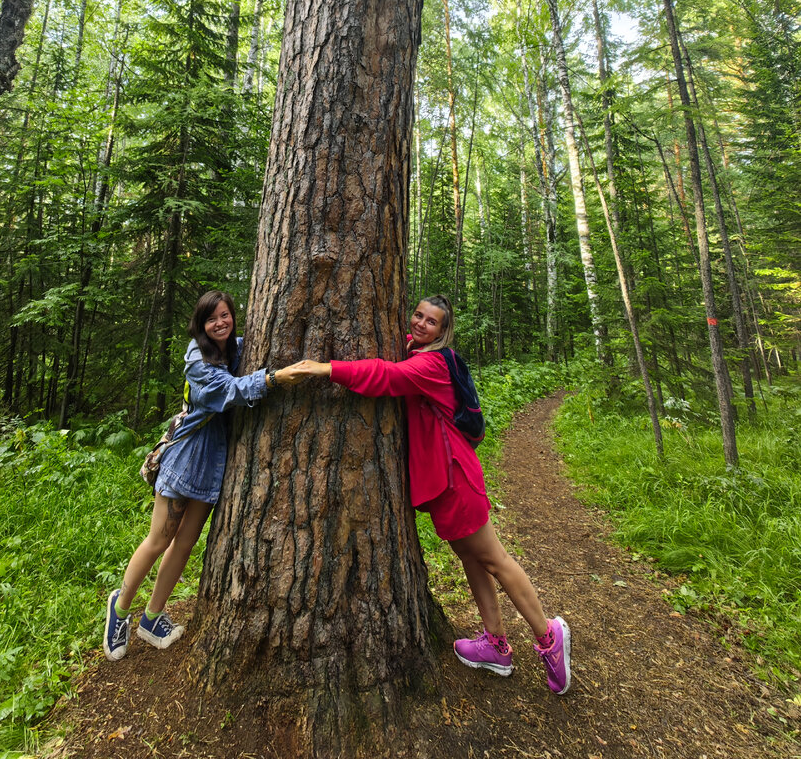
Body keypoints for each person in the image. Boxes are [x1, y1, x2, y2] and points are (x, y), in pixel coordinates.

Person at [293, 294, 572, 694]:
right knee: (472, 560)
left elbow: (385, 376)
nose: (421, 324)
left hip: (455, 479)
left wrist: (326, 368)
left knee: (494, 558)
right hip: (446, 482)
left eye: (432, 322)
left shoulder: (431, 363)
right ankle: (495, 644)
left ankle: (549, 638)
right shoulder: (420, 354)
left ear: (443, 331)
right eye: (418, 316)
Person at [103, 289, 308, 660]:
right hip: (185, 460)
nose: (220, 323)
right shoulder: (197, 359)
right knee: (159, 540)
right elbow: (227, 392)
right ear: (201, 324)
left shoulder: (237, 349)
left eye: (225, 315)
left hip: (214, 464)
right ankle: (120, 608)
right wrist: (274, 378)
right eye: (212, 318)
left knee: (184, 544)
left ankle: (152, 617)